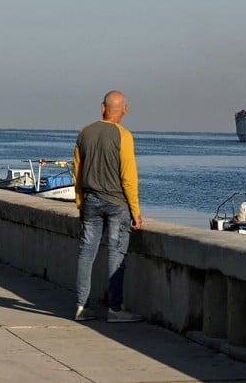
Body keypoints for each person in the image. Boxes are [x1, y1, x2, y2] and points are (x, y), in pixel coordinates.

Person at [73, 90, 144, 323]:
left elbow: (78, 172)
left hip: (90, 202)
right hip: (117, 204)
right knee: (116, 255)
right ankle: (115, 309)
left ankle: (81, 307)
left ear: (102, 107)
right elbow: (128, 178)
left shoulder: (85, 132)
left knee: (86, 254)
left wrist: (80, 202)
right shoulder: (123, 136)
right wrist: (135, 211)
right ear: (125, 110)